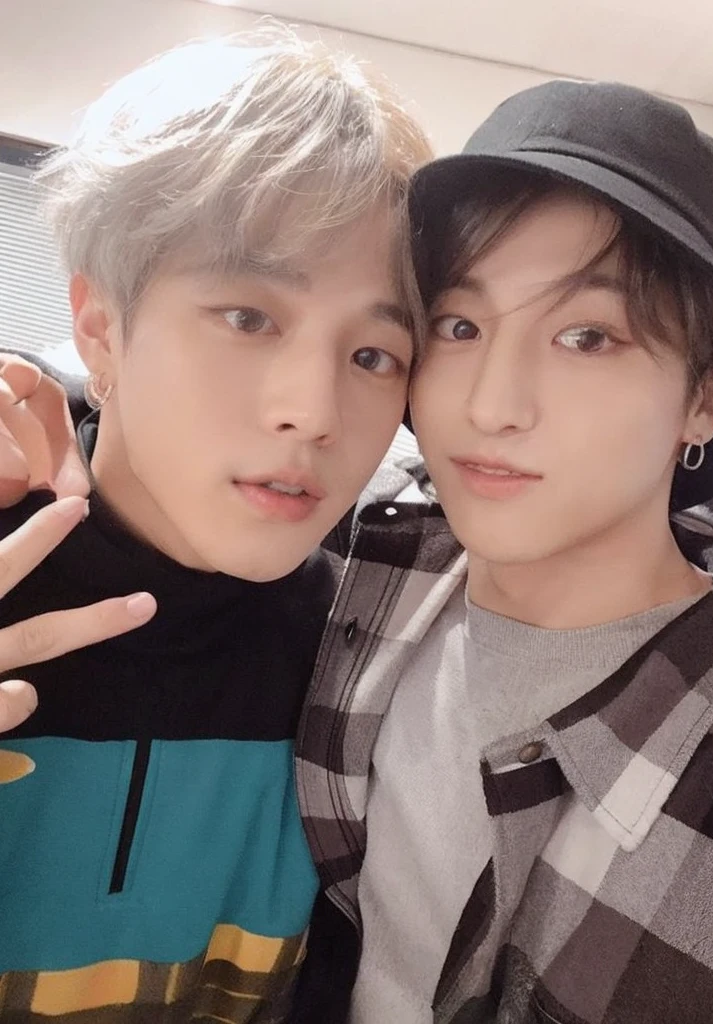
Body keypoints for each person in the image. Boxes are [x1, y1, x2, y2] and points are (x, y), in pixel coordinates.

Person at [7, 82, 713, 1024]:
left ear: (707, 398)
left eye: (588, 337)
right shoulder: (380, 570)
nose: (491, 406)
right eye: (458, 327)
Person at [0, 25, 430, 1023]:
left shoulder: (375, 657)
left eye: (373, 355)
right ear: (101, 328)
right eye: (249, 317)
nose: (314, 412)